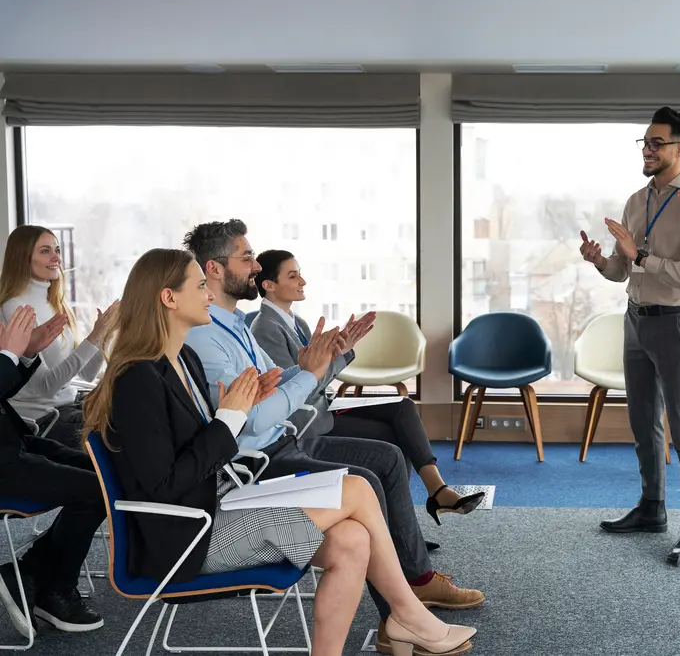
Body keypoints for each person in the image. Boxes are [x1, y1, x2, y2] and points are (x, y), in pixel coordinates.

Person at [79, 248, 475, 656]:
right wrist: (229, 420)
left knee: (353, 538)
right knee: (357, 489)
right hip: (190, 535)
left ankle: (393, 622)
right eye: (200, 286)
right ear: (169, 298)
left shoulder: (183, 360)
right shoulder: (137, 379)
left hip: (220, 502)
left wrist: (243, 406)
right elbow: (163, 486)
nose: (209, 295)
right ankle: (407, 613)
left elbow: (200, 446)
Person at [181, 220, 484, 625]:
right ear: (215, 269)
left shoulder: (235, 325)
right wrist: (309, 372)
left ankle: (417, 581)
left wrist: (326, 360)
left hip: (285, 440)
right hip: (261, 460)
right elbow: (251, 421)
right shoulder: (206, 336)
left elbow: (285, 380)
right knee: (368, 481)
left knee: (390, 458)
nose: (255, 266)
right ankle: (400, 612)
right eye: (247, 257)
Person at [250, 249, 486, 524]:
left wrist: (338, 352)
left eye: (300, 273)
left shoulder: (295, 322)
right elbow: (301, 388)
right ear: (268, 285)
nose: (302, 281)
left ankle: (431, 497)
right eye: (293, 275)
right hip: (307, 421)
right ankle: (406, 525)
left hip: (321, 407)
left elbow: (314, 376)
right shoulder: (265, 328)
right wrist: (339, 357)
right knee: (392, 436)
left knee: (403, 408)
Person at [579, 106, 680, 563]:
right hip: (636, 319)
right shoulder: (636, 201)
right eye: (645, 142)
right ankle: (652, 508)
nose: (648, 150)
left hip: (677, 325)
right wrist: (601, 261)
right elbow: (622, 271)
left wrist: (639, 256)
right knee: (642, 421)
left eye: (657, 143)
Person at [0, 304, 106, 638]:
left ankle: (30, 573)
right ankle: (55, 588)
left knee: (104, 476)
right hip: (4, 463)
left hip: (14, 441)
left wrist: (24, 355)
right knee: (95, 491)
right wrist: (7, 355)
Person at [0, 225, 119, 446]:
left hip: (71, 405)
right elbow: (46, 387)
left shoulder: (54, 303)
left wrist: (105, 333)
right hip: (47, 418)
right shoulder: (14, 309)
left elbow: (87, 373)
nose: (57, 257)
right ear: (22, 257)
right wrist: (93, 337)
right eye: (45, 251)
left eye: (57, 250)